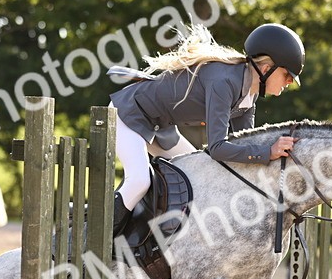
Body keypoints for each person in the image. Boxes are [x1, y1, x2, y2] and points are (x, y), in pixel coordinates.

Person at [107, 23, 303, 236]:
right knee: (139, 180)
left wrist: (275, 154)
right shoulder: (224, 82)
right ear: (266, 69)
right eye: (287, 75)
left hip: (160, 127)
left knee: (195, 177)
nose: (290, 82)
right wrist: (267, 152)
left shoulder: (250, 94)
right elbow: (217, 148)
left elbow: (243, 143)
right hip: (130, 113)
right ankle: (94, 237)